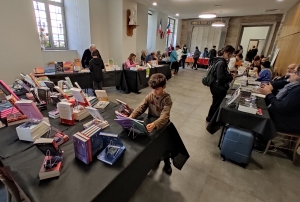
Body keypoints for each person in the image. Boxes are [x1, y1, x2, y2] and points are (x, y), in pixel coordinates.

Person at [129, 73, 173, 174]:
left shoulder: (167, 100)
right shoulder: (150, 95)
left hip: (163, 125)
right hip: (151, 123)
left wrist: (155, 124)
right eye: (152, 89)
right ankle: (155, 158)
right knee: (153, 144)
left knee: (164, 145)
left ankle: (167, 162)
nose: (154, 91)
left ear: (164, 87)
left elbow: (165, 116)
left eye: (157, 89)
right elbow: (141, 107)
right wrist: (132, 116)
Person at [258, 65, 300, 134]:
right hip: (280, 117)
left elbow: (281, 107)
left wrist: (269, 93)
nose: (290, 74)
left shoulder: (297, 90)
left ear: (299, 75)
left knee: (254, 118)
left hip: (285, 123)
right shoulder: (293, 86)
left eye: (293, 72)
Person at [206, 45, 235, 123]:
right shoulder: (221, 62)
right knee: (216, 104)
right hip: (218, 87)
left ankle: (211, 118)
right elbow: (220, 77)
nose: (231, 56)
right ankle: (210, 119)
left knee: (216, 103)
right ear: (226, 53)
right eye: (231, 54)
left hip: (216, 86)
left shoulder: (218, 60)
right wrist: (230, 77)